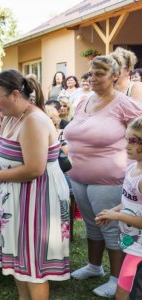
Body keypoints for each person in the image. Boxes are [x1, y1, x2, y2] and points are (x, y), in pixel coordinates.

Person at [0, 69, 70, 299]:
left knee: (33, 268)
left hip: (38, 199)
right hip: (17, 199)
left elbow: (35, 168)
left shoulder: (33, 120)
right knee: (19, 264)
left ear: (14, 94)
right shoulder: (13, 117)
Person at [64, 55, 142, 298]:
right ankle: (94, 266)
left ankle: (116, 277)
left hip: (110, 178)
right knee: (91, 225)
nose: (94, 78)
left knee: (110, 227)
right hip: (79, 175)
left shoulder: (124, 103)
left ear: (115, 76)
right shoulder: (83, 100)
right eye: (91, 73)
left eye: (100, 74)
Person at [95, 116, 142, 300]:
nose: (127, 146)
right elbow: (130, 202)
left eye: (134, 141)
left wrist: (118, 217)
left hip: (140, 250)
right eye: (127, 139)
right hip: (132, 243)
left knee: (124, 292)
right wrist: (114, 211)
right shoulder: (132, 169)